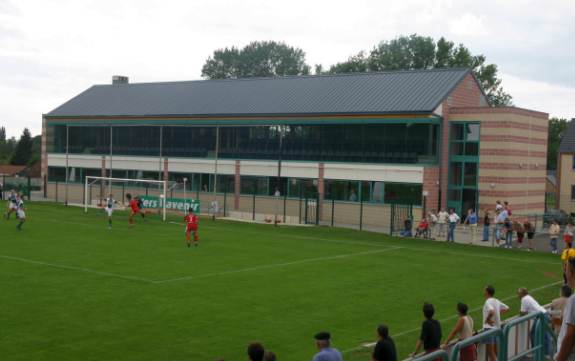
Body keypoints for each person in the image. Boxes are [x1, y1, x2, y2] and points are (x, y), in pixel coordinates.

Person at [518, 287, 551, 353]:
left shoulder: (524, 299)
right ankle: (545, 352)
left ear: (522, 294)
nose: (518, 295)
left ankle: (537, 352)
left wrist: (520, 312)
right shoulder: (528, 297)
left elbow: (522, 312)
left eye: (518, 293)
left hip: (541, 316)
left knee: (535, 334)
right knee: (544, 334)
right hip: (543, 314)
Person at [556, 248, 575, 361]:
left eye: (566, 268)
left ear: (572, 273)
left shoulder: (573, 300)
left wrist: (559, 359)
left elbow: (570, 336)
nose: (564, 271)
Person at [482, 285, 510, 361]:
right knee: (495, 351)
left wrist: (488, 319)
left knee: (490, 352)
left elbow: (491, 311)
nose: (483, 292)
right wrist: (498, 313)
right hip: (497, 328)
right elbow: (507, 308)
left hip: (489, 329)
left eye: (484, 290)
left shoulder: (488, 301)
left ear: (487, 292)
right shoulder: (496, 300)